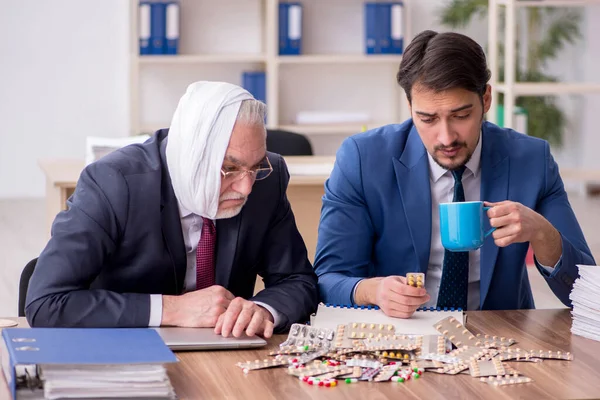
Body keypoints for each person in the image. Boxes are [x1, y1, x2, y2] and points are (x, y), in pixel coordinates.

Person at [313, 30, 595, 318]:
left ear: (485, 99)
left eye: (461, 116)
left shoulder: (531, 160)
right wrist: (374, 291)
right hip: (398, 336)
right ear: (409, 107)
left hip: (501, 337)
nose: (446, 137)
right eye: (428, 119)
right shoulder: (363, 159)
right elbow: (327, 280)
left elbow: (587, 294)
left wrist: (543, 234)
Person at [26, 81, 319, 337]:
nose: (246, 187)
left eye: (255, 167)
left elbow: (297, 280)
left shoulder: (269, 180)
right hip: (128, 348)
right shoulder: (114, 183)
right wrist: (172, 310)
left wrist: (262, 310)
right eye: (229, 168)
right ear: (190, 156)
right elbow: (46, 303)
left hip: (227, 355)